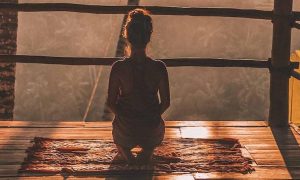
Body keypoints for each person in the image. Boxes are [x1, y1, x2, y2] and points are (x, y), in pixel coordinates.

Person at [107, 8, 170, 164]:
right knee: (153, 132)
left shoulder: (118, 68)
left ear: (127, 36)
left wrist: (126, 117)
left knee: (120, 137)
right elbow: (166, 103)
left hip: (126, 131)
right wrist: (150, 117)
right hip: (150, 130)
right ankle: (148, 149)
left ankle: (124, 150)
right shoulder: (159, 67)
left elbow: (110, 103)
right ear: (148, 36)